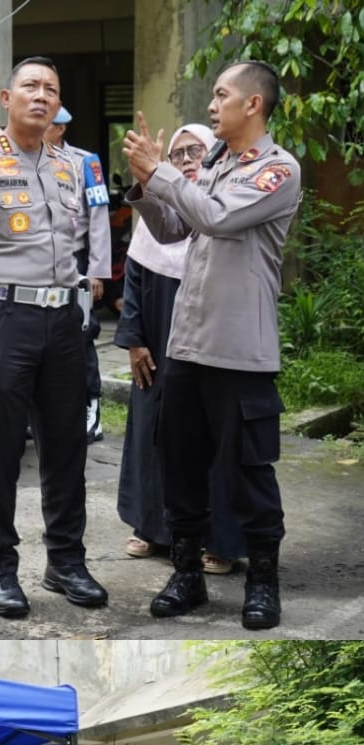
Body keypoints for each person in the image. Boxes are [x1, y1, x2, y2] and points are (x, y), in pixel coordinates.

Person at [123, 61, 301, 629]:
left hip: (239, 351)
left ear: (253, 104)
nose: (210, 105)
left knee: (249, 472)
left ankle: (263, 584)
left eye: (221, 94)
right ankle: (187, 575)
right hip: (188, 346)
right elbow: (175, 229)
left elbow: (218, 218)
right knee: (180, 467)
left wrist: (164, 174)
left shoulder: (277, 170)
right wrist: (147, 184)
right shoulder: (217, 163)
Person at [0, 57, 108, 621]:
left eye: (51, 90)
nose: (41, 96)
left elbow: (84, 244)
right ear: (6, 97)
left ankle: (66, 561)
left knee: (66, 446)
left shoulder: (70, 168)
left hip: (62, 320)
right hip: (1, 318)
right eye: (30, 87)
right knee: (2, 449)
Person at [116, 123, 245, 574]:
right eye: (178, 154)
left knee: (214, 438)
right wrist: (134, 341)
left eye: (196, 152)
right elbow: (135, 281)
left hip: (212, 343)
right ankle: (151, 526)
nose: (187, 160)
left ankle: (218, 540)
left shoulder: (222, 209)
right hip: (156, 344)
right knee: (153, 433)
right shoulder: (159, 220)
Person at [44, 105, 112, 443]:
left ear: (60, 128)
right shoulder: (23, 159)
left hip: (76, 259)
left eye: (46, 123)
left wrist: (97, 270)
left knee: (82, 333)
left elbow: (98, 216)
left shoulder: (86, 163)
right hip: (39, 261)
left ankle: (91, 409)